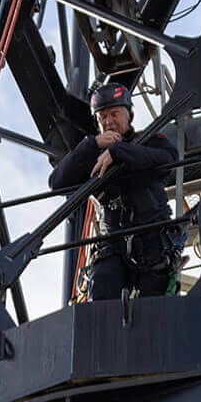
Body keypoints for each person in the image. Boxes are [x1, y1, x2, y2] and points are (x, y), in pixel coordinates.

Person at [48, 76, 180, 301]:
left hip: (153, 241)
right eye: (102, 117)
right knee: (101, 289)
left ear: (129, 114)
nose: (108, 121)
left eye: (114, 114)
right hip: (113, 245)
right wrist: (92, 144)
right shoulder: (92, 156)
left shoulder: (149, 140)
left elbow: (168, 160)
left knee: (154, 308)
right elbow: (57, 182)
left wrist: (119, 151)